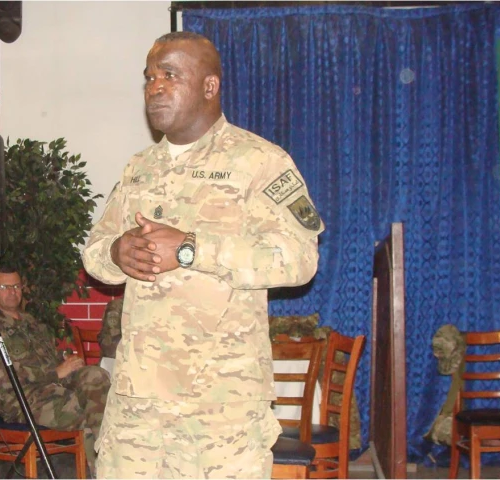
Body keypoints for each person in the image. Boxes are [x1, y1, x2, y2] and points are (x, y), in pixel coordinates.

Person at [82, 31, 324, 479]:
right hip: (138, 406)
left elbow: (299, 258)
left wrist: (193, 249)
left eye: (170, 75)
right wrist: (117, 251)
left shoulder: (260, 161)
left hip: (220, 409)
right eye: (150, 77)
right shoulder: (139, 168)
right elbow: (94, 252)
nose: (155, 87)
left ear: (209, 86)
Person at [0, 267, 111, 475]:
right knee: (94, 408)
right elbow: (6, 377)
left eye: (16, 286)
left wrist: (66, 361)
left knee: (96, 376)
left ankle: (106, 468)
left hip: (54, 388)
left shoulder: (32, 323)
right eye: (5, 287)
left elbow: (51, 358)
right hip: (22, 400)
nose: (12, 291)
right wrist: (56, 372)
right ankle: (107, 470)